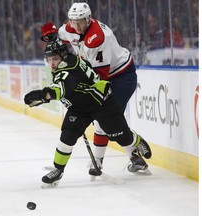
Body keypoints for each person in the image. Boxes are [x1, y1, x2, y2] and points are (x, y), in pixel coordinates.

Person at [24, 41, 152, 187]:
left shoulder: (67, 68)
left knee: (121, 136)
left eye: (55, 59)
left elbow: (61, 87)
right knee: (68, 134)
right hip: (79, 107)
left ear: (63, 57)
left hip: (101, 102)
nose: (52, 63)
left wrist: (44, 95)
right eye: (49, 59)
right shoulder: (69, 61)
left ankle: (136, 140)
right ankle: (58, 170)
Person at [40, 2, 145, 176]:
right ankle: (135, 158)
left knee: (105, 118)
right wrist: (50, 35)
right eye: (73, 22)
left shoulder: (97, 37)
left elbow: (98, 77)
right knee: (106, 121)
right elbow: (59, 35)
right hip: (104, 75)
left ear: (88, 19)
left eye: (80, 21)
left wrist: (74, 91)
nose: (76, 26)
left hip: (121, 77)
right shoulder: (71, 27)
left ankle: (101, 160)